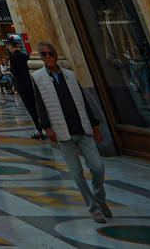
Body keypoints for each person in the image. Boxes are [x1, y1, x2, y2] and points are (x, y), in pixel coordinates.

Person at [32, 42, 110, 222]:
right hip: (62, 131)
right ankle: (93, 208)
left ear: (56, 54)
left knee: (97, 167)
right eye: (44, 55)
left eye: (50, 53)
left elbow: (83, 100)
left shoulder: (70, 75)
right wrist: (47, 127)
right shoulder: (38, 78)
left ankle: (100, 198)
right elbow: (39, 105)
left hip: (83, 128)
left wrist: (95, 125)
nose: (48, 57)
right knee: (76, 172)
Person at [7, 36, 47, 138]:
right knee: (39, 106)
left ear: (11, 46)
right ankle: (46, 127)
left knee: (31, 108)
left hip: (22, 84)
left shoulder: (13, 57)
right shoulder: (24, 56)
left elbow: (14, 71)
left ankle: (39, 130)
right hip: (31, 82)